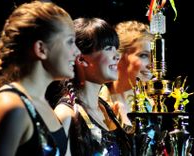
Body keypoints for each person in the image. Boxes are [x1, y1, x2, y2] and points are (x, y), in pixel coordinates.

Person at [0, 1, 80, 156]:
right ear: (40, 49)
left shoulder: (42, 103)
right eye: (70, 41)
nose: (77, 52)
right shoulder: (11, 104)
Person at [46, 17, 131, 156]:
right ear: (80, 59)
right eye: (109, 48)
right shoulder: (66, 114)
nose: (117, 56)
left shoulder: (105, 108)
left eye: (116, 48)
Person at [99, 20, 155, 133]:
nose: (152, 65)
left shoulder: (151, 104)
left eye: (154, 57)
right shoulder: (98, 104)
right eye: (144, 55)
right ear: (118, 57)